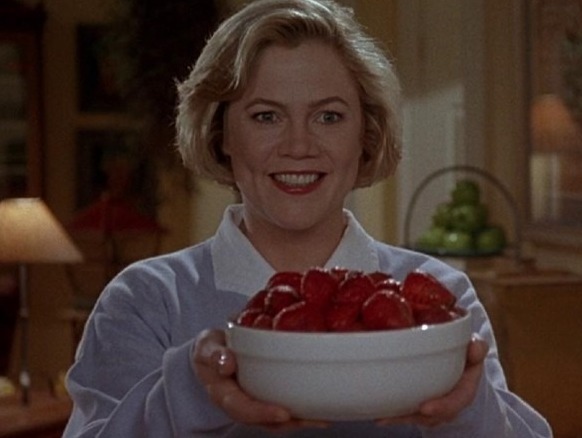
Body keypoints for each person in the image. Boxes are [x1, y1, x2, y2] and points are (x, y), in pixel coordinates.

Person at [63, 0, 552, 436]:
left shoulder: (437, 294)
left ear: (367, 132)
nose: (299, 146)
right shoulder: (148, 300)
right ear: (221, 134)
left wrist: (465, 412)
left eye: (329, 116)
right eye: (266, 116)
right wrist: (190, 389)